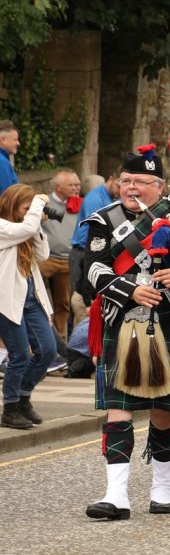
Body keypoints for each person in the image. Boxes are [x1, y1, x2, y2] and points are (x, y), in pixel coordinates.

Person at [81, 145, 170, 520]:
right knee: (120, 408)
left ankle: (162, 489)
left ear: (159, 187)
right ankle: (117, 496)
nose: (132, 188)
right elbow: (93, 270)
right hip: (123, 320)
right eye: (126, 181)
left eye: (141, 182)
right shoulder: (104, 220)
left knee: (165, 411)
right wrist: (128, 289)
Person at [0, 185, 58, 429]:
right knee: (20, 355)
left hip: (31, 297)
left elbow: (43, 254)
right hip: (8, 300)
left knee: (47, 350)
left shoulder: (26, 230)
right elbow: (24, 227)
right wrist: (37, 204)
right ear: (13, 207)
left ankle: (24, 397)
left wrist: (38, 224)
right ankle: (10, 408)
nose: (30, 214)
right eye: (25, 209)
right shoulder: (3, 227)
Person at [39, 169, 82, 348]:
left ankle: (60, 344)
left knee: (63, 304)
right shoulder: (43, 203)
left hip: (66, 260)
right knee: (35, 298)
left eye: (77, 185)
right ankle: (38, 342)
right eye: (71, 185)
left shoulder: (79, 204)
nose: (76, 188)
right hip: (45, 259)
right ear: (58, 187)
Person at [0, 121, 19, 194]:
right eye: (15, 140)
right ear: (3, 139)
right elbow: (7, 198)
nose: (18, 143)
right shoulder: (2, 162)